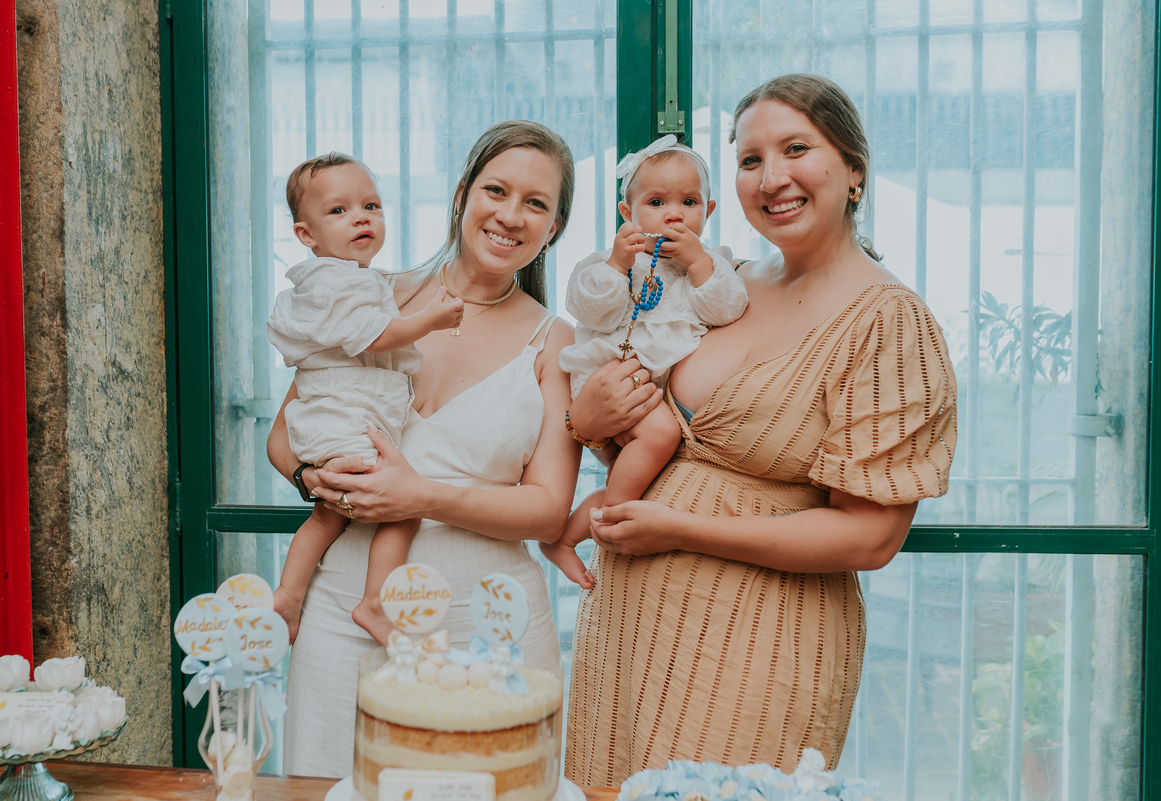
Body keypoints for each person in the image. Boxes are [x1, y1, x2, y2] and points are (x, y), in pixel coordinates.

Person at [563, 74, 958, 784]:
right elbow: (652, 420)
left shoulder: (887, 321)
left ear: (855, 171)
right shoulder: (725, 286)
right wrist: (584, 420)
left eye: (796, 149)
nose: (772, 177)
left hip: (760, 637)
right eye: (750, 160)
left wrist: (682, 529)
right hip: (629, 620)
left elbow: (871, 536)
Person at [269, 121, 581, 778]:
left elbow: (550, 512)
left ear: (553, 227)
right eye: (496, 190)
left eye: (536, 203)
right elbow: (284, 433)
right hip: (345, 611)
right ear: (463, 195)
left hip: (490, 623)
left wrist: (422, 495)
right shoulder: (372, 295)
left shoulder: (556, 341)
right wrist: (311, 477)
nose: (511, 215)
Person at [267, 153, 464, 645]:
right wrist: (430, 320)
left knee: (326, 516)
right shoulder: (337, 281)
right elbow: (374, 336)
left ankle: (289, 595)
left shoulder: (342, 279)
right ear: (305, 235)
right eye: (338, 211)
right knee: (405, 507)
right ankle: (375, 603)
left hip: (335, 419)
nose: (361, 217)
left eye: (371, 205)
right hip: (346, 420)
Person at [543, 136, 748, 588]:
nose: (674, 214)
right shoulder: (614, 261)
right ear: (628, 214)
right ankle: (615, 523)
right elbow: (587, 306)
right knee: (662, 434)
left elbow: (727, 310)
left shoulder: (713, 266)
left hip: (650, 390)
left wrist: (698, 263)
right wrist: (617, 265)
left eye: (688, 202)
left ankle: (563, 538)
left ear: (708, 212)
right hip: (610, 376)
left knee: (639, 476)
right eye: (656, 202)